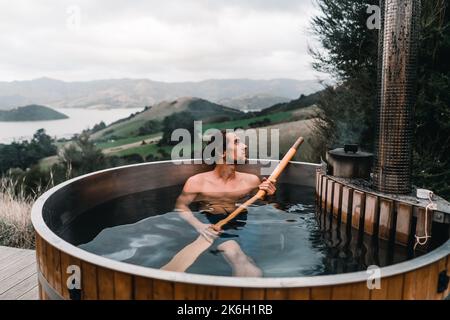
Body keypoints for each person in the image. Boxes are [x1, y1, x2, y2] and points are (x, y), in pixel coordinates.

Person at [171, 130, 276, 277]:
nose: (245, 146)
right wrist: (199, 226)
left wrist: (268, 196)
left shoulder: (251, 181)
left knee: (247, 261)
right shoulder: (197, 182)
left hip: (245, 226)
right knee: (237, 257)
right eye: (237, 142)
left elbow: (262, 206)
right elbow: (181, 207)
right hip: (213, 225)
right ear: (222, 153)